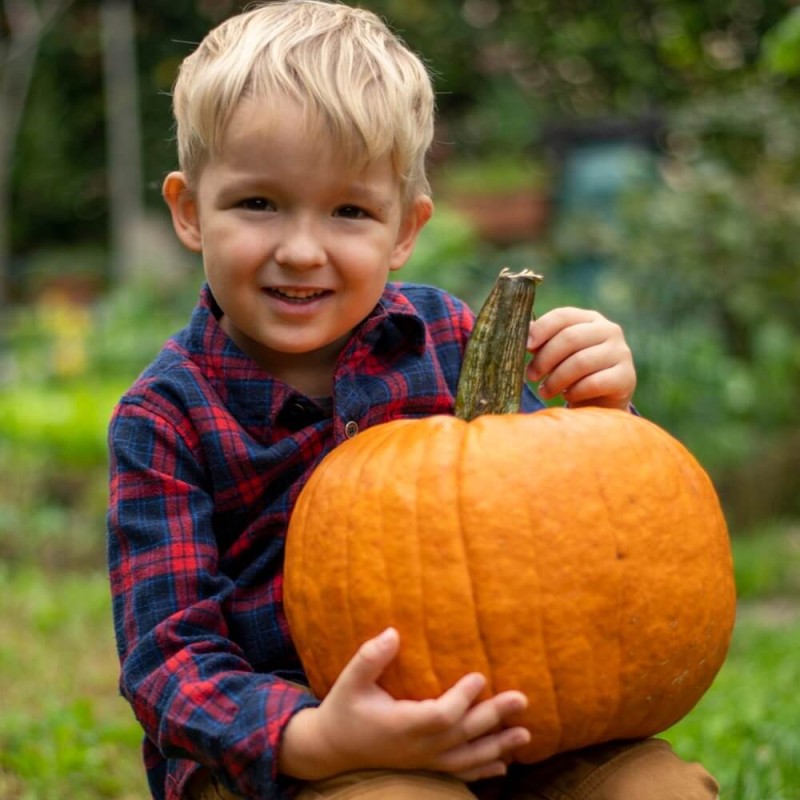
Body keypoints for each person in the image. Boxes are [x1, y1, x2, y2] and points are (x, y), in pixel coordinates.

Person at [106, 2, 719, 799]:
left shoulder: (450, 341)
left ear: (404, 229)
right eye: (258, 203)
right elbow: (168, 657)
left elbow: (572, 514)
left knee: (653, 790)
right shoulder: (165, 418)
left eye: (349, 211)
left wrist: (605, 405)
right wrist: (314, 738)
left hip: (507, 725)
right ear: (190, 211)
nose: (302, 250)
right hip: (285, 759)